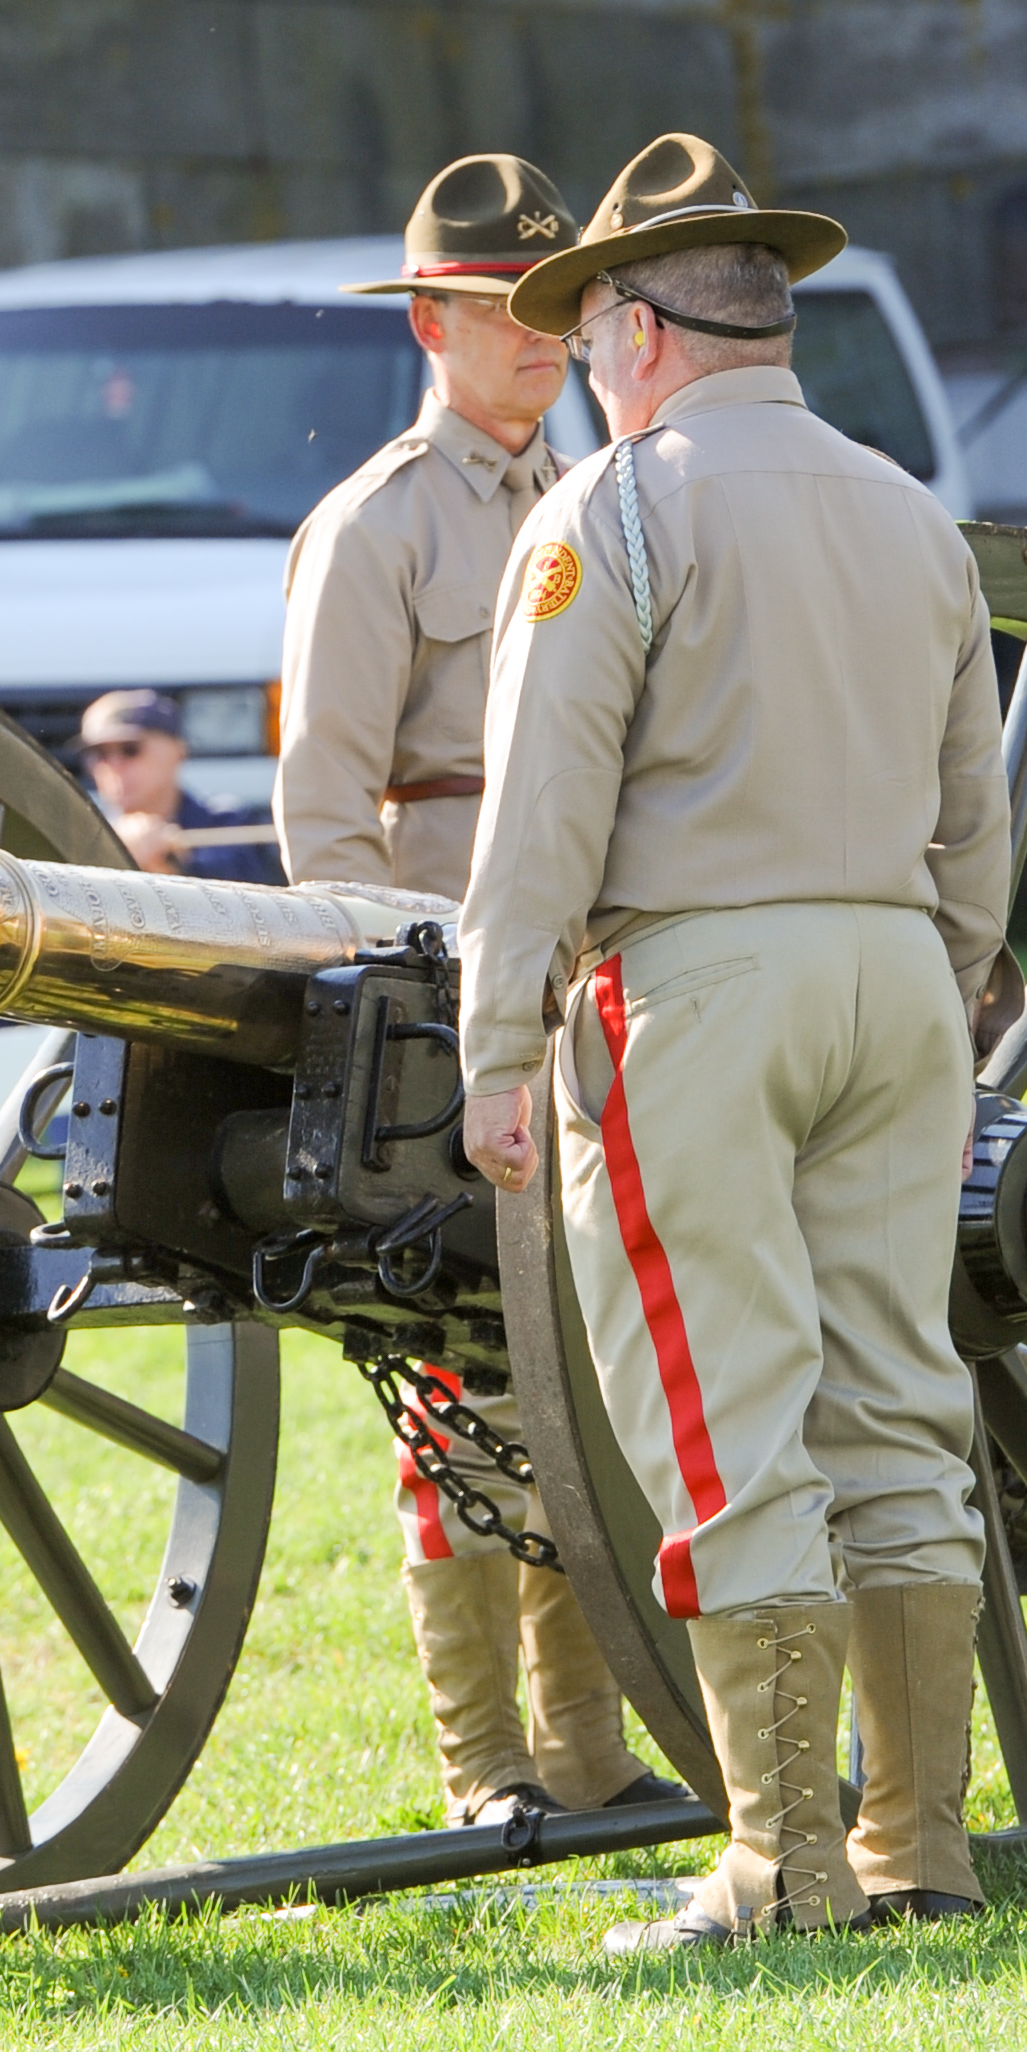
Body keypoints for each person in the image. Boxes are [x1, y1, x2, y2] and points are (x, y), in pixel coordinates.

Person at [457, 134, 1013, 1951]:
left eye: (588, 330)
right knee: (900, 1410)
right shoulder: (909, 508)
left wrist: (491, 1037)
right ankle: (918, 1845)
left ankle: (779, 1865)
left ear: (632, 331)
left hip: (695, 985)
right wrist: (955, 987)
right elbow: (975, 811)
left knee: (730, 1423)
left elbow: (542, 809)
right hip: (894, 976)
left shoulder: (607, 510)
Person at [282, 154, 662, 1827]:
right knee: (457, 1388)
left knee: (580, 1373)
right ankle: (487, 1767)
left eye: (555, 300)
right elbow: (321, 812)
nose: (538, 331)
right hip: (439, 995)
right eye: (500, 305)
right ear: (431, 323)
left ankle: (588, 1748)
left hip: (590, 976)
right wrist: (408, 1004)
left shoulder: (598, 496)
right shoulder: (376, 524)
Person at [77, 690, 278, 881]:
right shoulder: (82, 838)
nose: (114, 766)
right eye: (99, 754)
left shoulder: (232, 823)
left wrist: (172, 862)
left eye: (130, 749)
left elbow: (250, 883)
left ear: (177, 751)